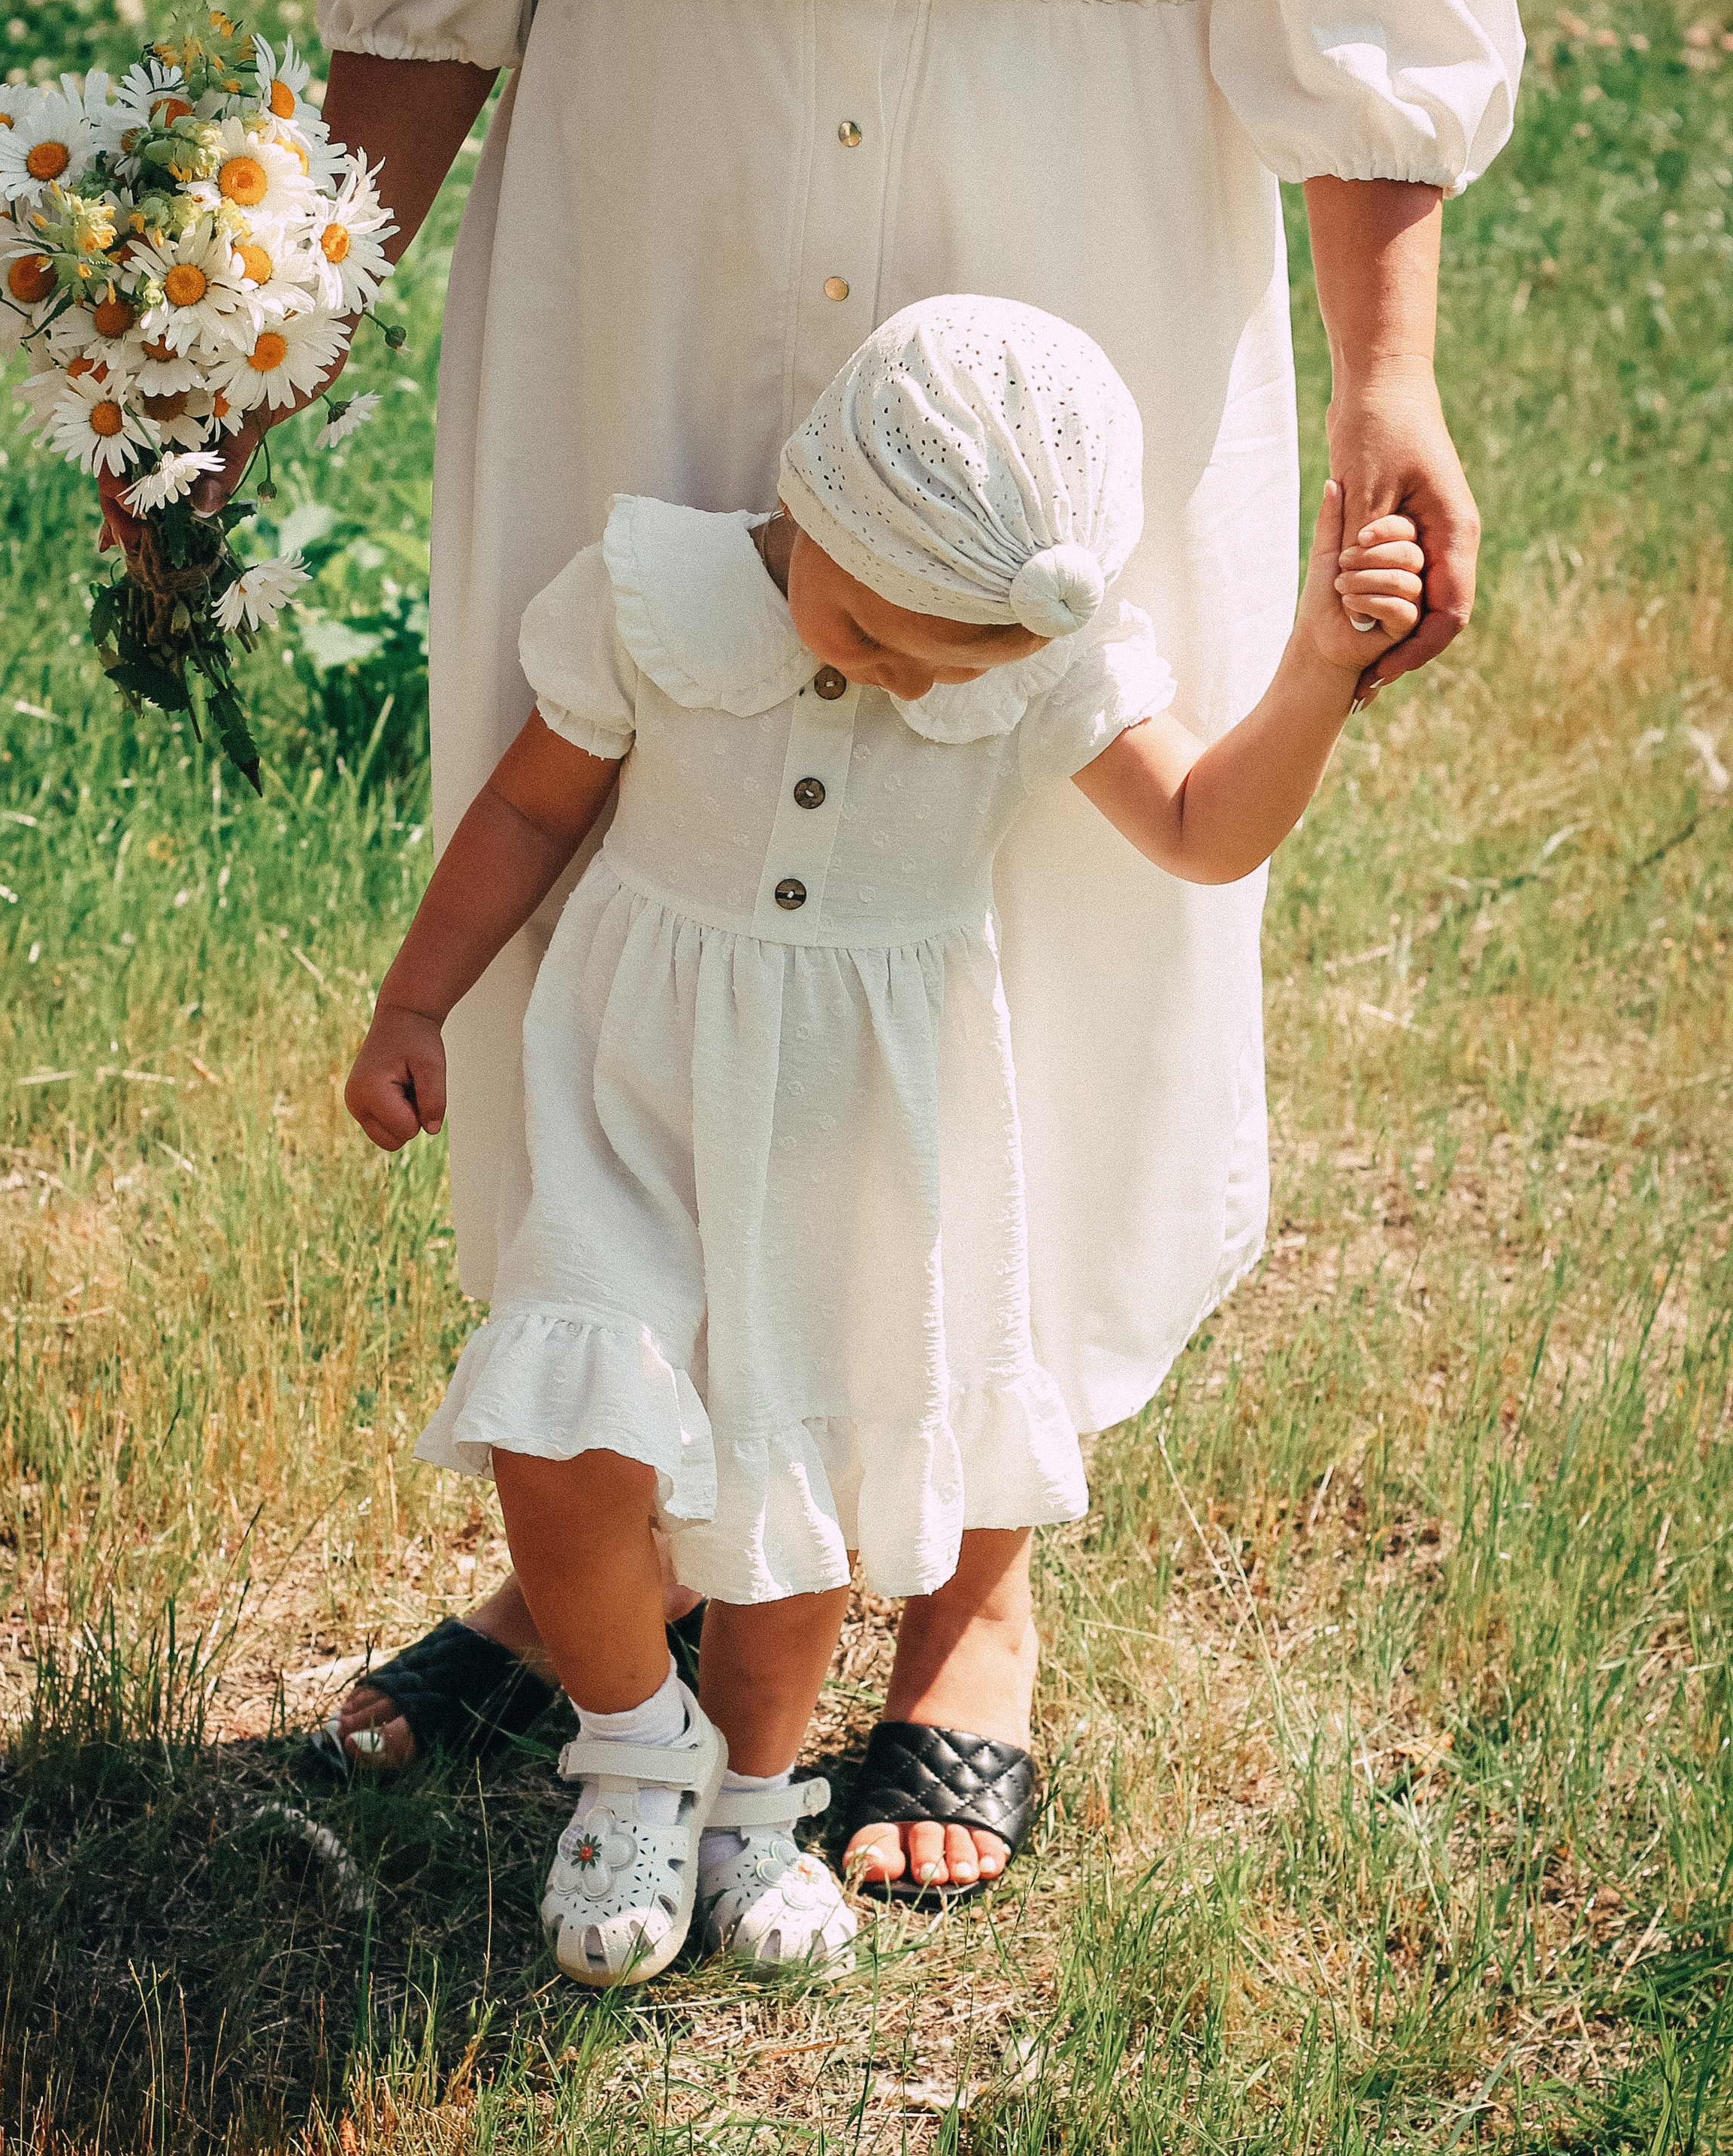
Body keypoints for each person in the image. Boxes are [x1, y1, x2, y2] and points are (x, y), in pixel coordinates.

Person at [132, 0, 1521, 1894]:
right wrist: (242, 348)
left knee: (1041, 874)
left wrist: (1390, 374)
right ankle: (635, 1538)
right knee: (624, 831)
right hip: (662, 213)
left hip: (1070, 247)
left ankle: (972, 1576)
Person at [340, 297, 1429, 1985]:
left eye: (951, 666)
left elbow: (1205, 832)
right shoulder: (656, 592)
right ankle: (633, 1748)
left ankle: (751, 1804)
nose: (900, 674)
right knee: (567, 1419)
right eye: (869, 624)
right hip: (633, 1091)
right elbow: (531, 807)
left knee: (817, 1470)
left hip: (859, 1132)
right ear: (810, 499)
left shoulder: (1037, 656)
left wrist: (1315, 672)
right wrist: (416, 1004)